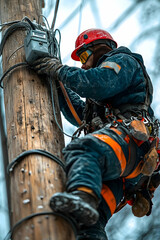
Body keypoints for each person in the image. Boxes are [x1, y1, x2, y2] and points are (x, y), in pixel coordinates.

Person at [32, 28, 160, 240]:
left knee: (84, 149)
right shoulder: (100, 102)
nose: (82, 64)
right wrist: (57, 80)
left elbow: (98, 82)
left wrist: (61, 71)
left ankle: (83, 197)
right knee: (89, 223)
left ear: (100, 48)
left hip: (130, 144)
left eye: (83, 56)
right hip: (124, 165)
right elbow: (79, 114)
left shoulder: (123, 60)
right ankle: (87, 212)